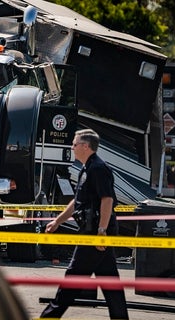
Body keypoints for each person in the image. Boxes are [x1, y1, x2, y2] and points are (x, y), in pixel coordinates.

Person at [40, 129, 129, 319]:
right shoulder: (86, 168)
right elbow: (78, 202)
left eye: (74, 144)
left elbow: (107, 200)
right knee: (110, 283)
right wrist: (57, 221)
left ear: (85, 146)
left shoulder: (98, 168)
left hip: (95, 233)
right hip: (93, 231)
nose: (72, 148)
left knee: (72, 278)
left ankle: (48, 316)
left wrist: (101, 231)